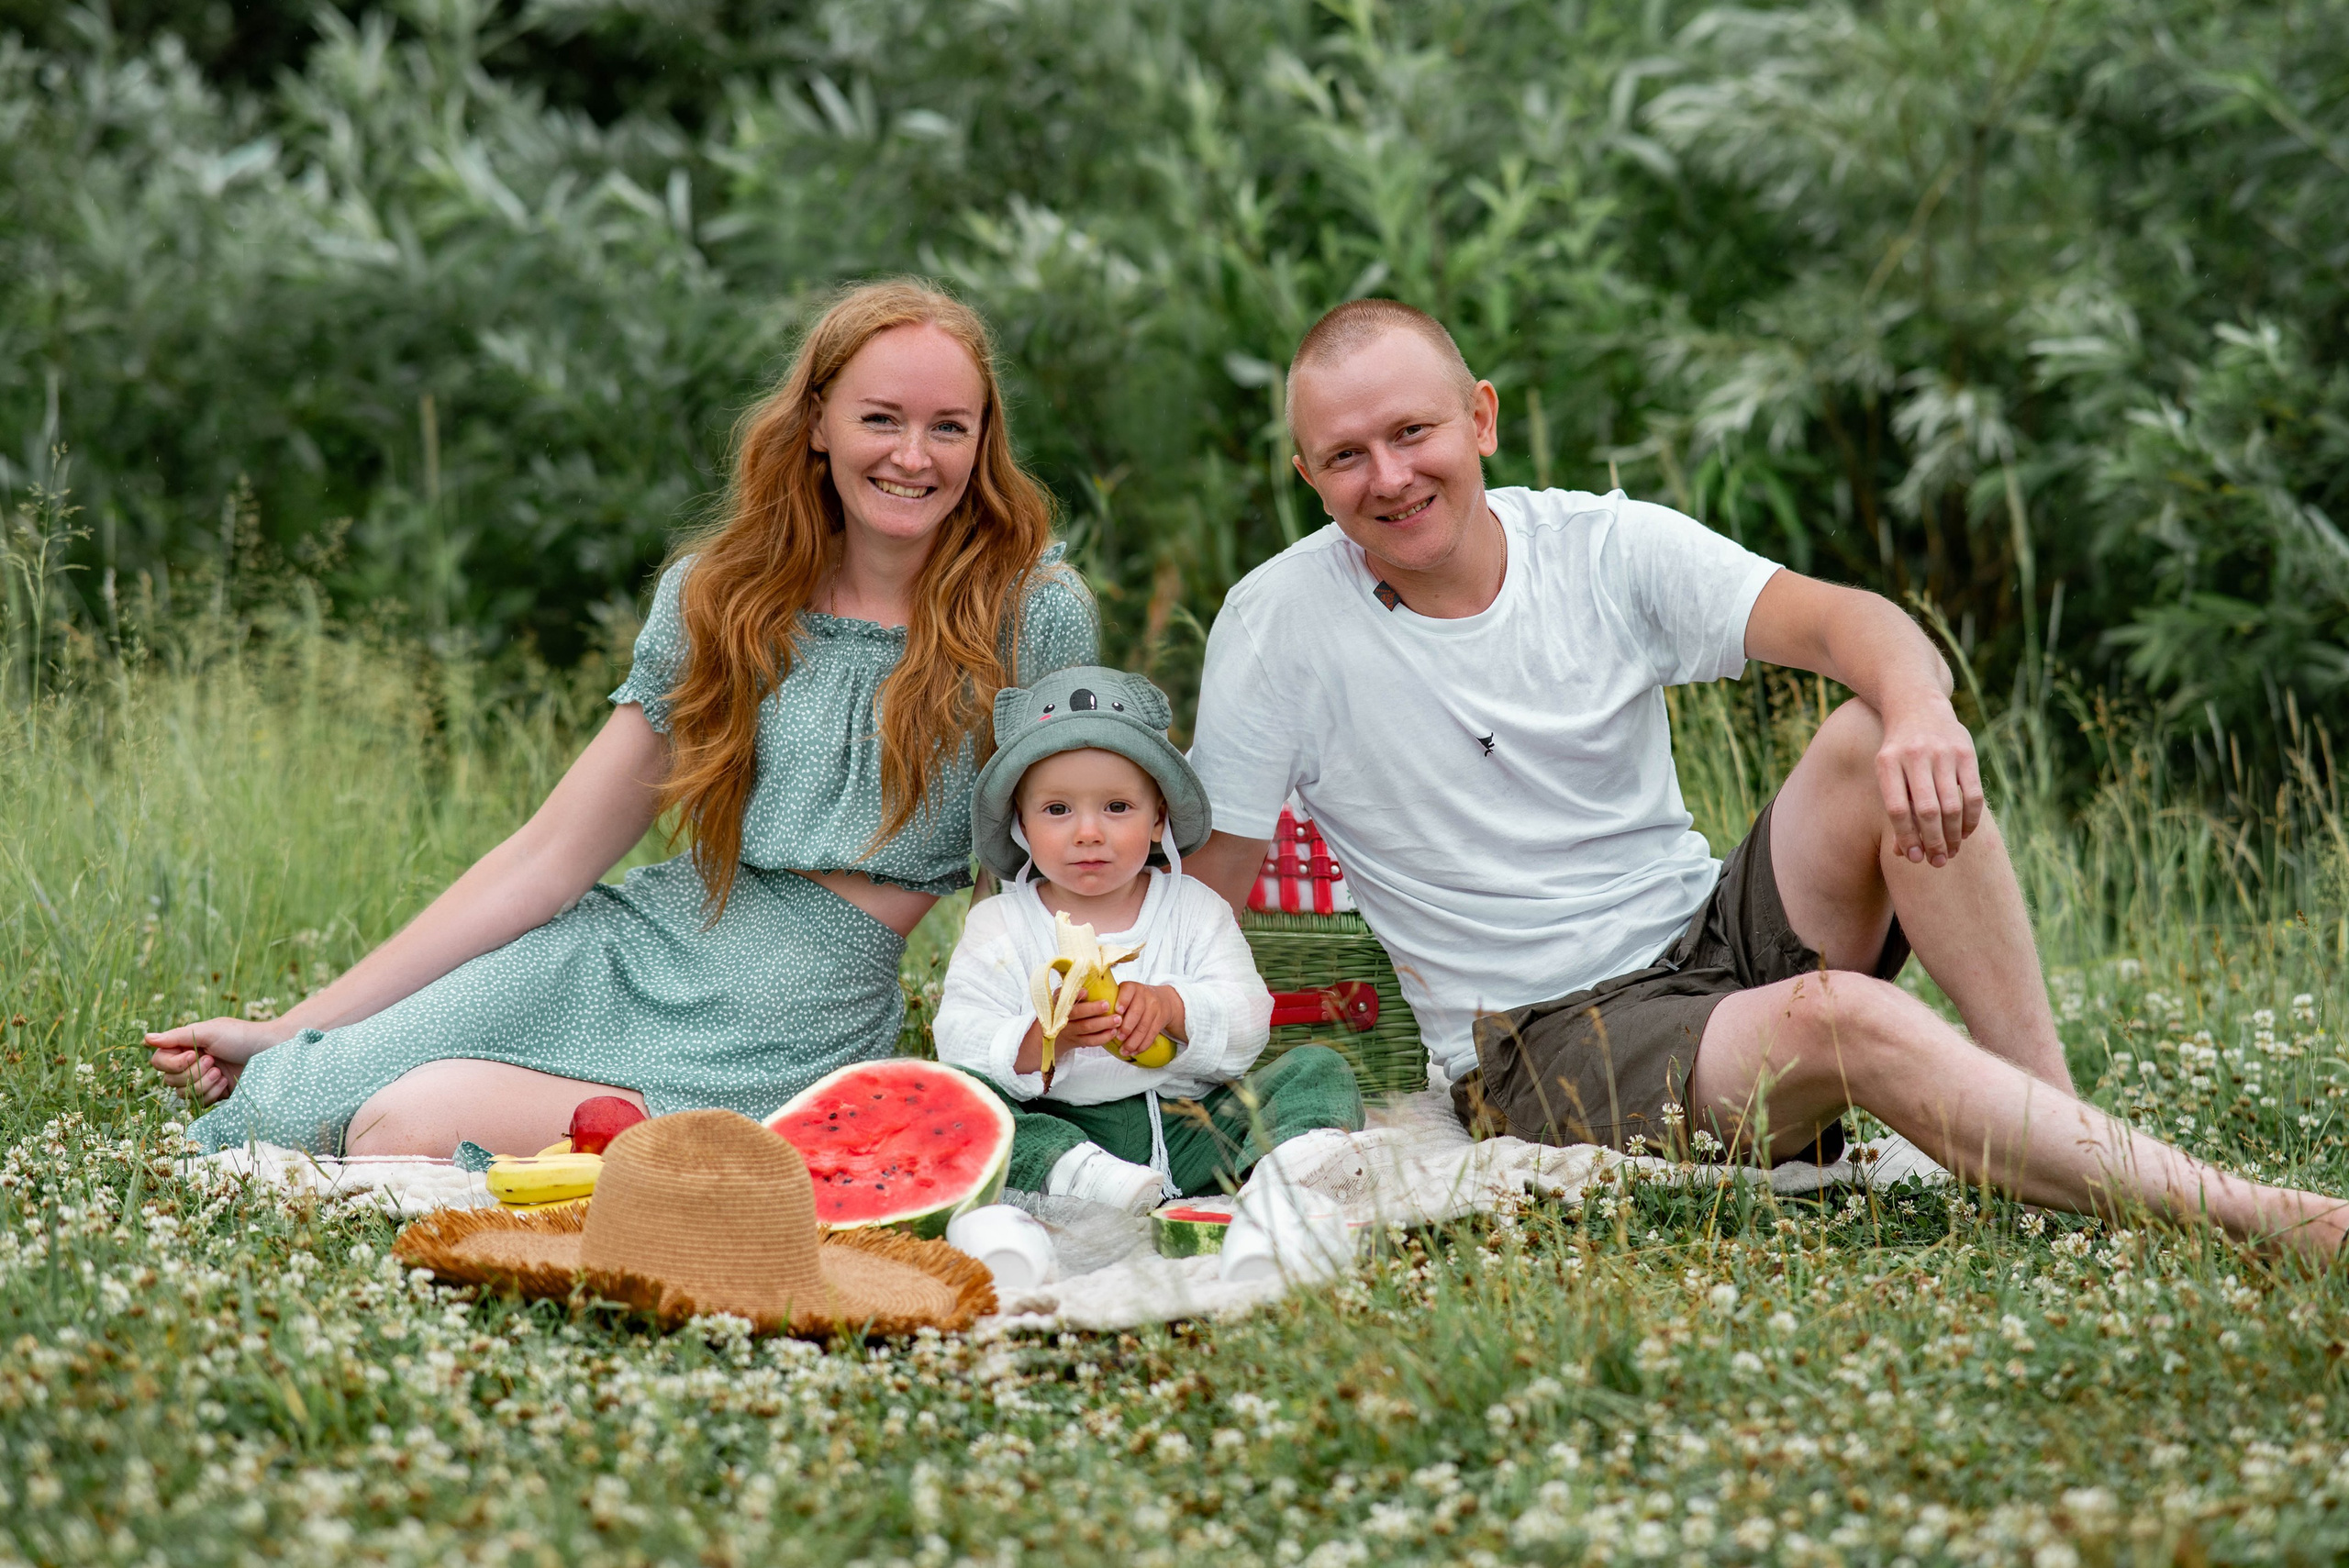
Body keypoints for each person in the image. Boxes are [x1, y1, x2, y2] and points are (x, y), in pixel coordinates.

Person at [1180, 297, 2349, 1262]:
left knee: (1871, 728)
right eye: (1346, 455)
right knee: (1845, 1020)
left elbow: (1852, 620)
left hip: (1705, 940)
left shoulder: (1597, 547)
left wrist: (1922, 711)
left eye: (1411, 431)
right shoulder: (1277, 625)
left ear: (1480, 417)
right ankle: (2261, 1220)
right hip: (1542, 1040)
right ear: (1307, 473)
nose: (1388, 476)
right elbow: (1210, 885)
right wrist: (1129, 1032)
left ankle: (2063, 1130)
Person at [149, 280, 1098, 1158]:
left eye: (948, 427)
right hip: (639, 942)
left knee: (398, 1128)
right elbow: (547, 855)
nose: (912, 455)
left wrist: (1017, 1073)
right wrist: (290, 1027)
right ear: (817, 421)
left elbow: (1040, 869)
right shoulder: (722, 597)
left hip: (791, 1018)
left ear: (983, 439)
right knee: (285, 1101)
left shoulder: (1032, 612)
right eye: (880, 418)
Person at [933, 664, 1362, 1215]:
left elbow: (1250, 1017)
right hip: (1068, 1129)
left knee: (1318, 1069)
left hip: (1196, 1125)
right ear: (1022, 823)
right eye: (1057, 810)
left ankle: (1288, 1176)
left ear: (1158, 819)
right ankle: (1081, 1178)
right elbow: (961, 1036)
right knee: (957, 1102)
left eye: (1117, 807)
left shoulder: (1194, 909)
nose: (1089, 833)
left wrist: (1173, 1007)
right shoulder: (1000, 924)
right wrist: (1047, 1038)